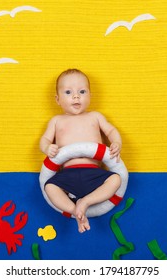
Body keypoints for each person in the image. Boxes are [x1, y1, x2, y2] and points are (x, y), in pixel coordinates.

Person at [39, 68, 123, 233]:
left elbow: (111, 131)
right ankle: (75, 210)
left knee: (116, 180)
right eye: (68, 92)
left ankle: (84, 202)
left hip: (94, 174)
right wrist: (48, 148)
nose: (76, 96)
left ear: (90, 96)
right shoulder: (57, 121)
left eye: (82, 91)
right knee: (49, 187)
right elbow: (44, 140)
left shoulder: (95, 117)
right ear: (57, 99)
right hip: (67, 175)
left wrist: (116, 142)